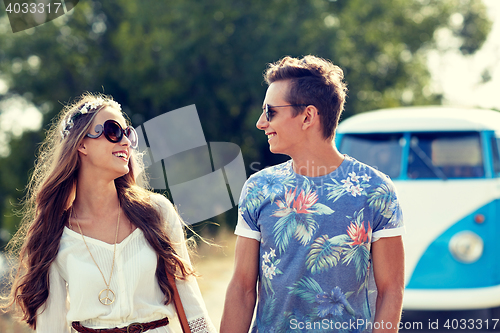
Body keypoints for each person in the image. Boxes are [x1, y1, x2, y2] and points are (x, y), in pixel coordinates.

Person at [1, 93, 216, 333]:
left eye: (128, 134)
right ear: (81, 144)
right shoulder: (55, 232)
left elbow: (190, 300)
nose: (125, 142)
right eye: (113, 131)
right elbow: (51, 326)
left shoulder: (156, 212)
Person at [221, 55, 405, 333]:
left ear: (307, 116)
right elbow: (242, 289)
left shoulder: (375, 190)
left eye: (270, 112)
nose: (261, 123)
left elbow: (391, 290)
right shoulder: (258, 188)